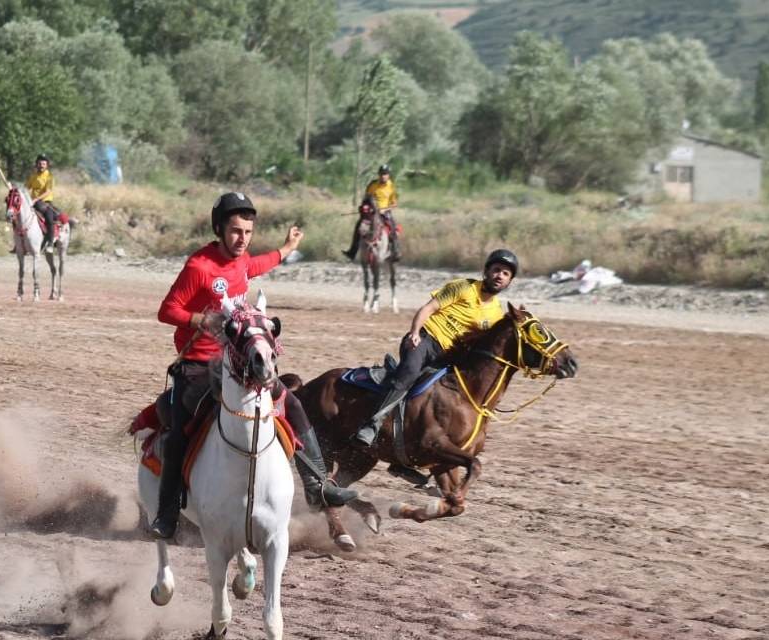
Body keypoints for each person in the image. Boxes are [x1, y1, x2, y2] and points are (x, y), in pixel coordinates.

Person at [150, 192, 359, 539]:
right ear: (219, 229)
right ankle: (167, 511)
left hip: (237, 360)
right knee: (180, 432)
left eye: (247, 232)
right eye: (235, 231)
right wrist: (201, 319)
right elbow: (167, 310)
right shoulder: (198, 266)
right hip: (199, 365)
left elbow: (261, 263)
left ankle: (317, 485)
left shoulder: (244, 260)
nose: (242, 238)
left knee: (290, 403)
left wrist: (288, 247)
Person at [354, 249, 520, 482]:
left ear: (509, 281)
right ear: (486, 271)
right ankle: (372, 424)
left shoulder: (495, 313)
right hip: (425, 341)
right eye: (496, 270)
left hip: (449, 355)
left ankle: (405, 459)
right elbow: (428, 309)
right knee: (407, 376)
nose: (499, 275)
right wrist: (414, 333)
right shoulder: (463, 287)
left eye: (505, 273)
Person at [343, 164, 401, 262]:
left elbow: (394, 204)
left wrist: (384, 209)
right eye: (381, 174)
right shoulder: (373, 184)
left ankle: (395, 252)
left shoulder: (391, 187)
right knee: (359, 226)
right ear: (379, 175)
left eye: (385, 174)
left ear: (388, 175)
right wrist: (365, 207)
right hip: (372, 212)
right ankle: (352, 251)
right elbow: (366, 198)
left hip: (384, 212)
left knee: (393, 227)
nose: (383, 176)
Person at [26, 154, 63, 253]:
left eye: (43, 163)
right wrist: (13, 187)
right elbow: (26, 188)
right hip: (33, 202)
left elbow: (48, 191)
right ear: (36, 164)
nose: (41, 165)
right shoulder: (33, 176)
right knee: (19, 216)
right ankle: (19, 244)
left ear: (47, 165)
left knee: (49, 218)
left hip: (45, 202)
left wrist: (36, 199)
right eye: (39, 163)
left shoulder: (49, 177)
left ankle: (50, 243)